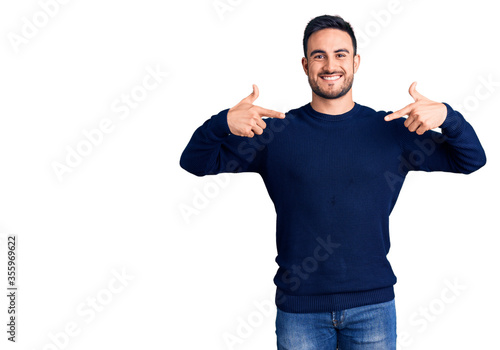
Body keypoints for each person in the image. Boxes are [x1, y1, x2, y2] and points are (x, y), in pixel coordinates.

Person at [179, 14, 486, 350]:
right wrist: (221, 123)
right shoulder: (274, 133)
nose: (330, 65)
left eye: (340, 54)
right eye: (319, 55)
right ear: (305, 64)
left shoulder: (391, 130)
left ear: (355, 62)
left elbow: (470, 160)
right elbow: (195, 162)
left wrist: (447, 116)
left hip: (373, 307)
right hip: (300, 310)